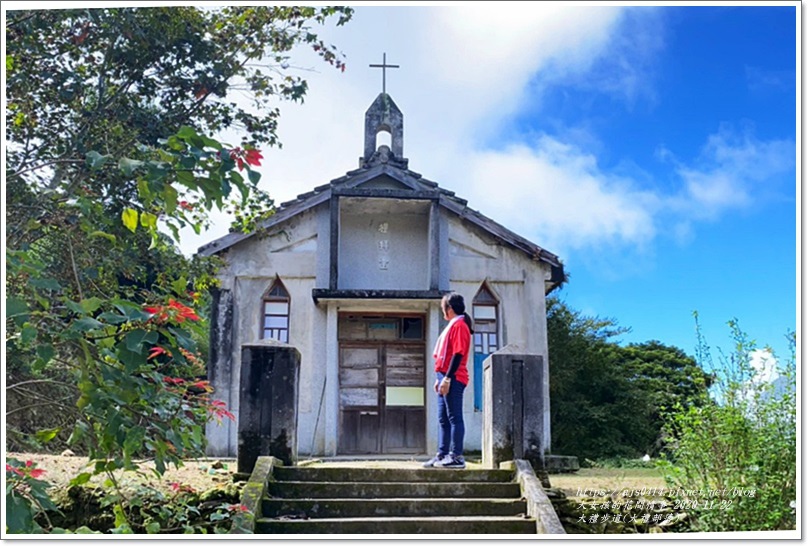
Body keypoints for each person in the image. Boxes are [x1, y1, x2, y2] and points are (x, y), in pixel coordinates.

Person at [423, 292, 473, 469]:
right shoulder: (453, 325)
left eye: (443, 307)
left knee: (454, 417)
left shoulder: (459, 325)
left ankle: (457, 456)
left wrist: (447, 378)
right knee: (443, 419)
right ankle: (442, 454)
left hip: (454, 377)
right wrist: (440, 376)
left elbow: (458, 354)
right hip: (444, 375)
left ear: (449, 309)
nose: (442, 310)